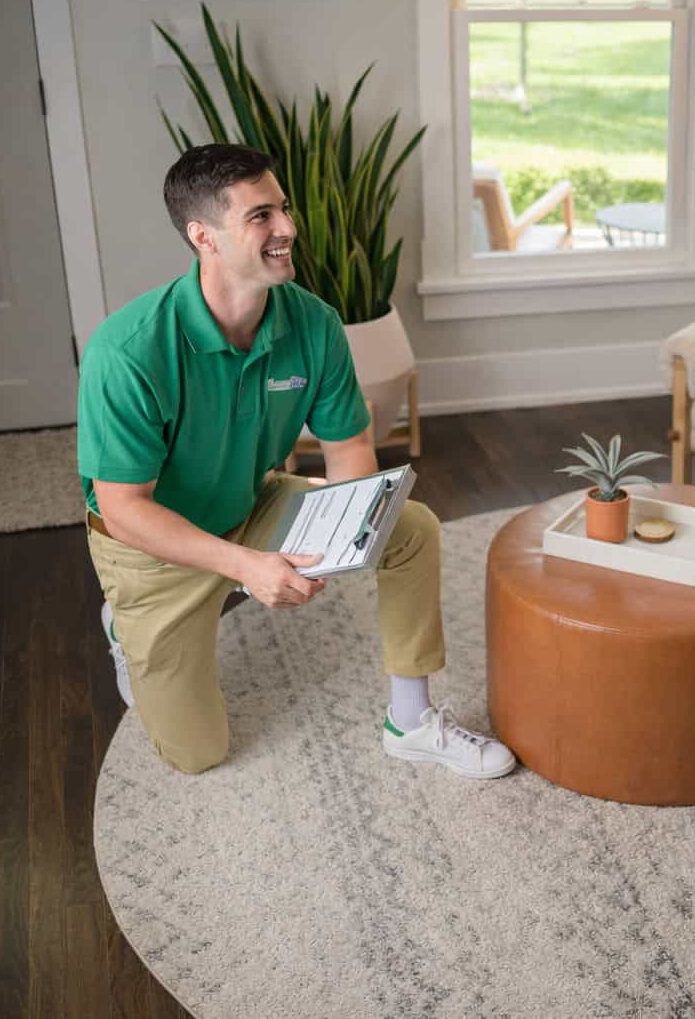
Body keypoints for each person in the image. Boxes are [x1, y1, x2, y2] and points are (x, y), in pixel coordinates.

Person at [78, 143, 514, 779]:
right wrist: (246, 567)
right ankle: (124, 625)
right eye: (261, 216)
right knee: (197, 755)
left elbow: (348, 451)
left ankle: (411, 721)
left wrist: (348, 535)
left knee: (410, 526)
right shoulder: (128, 351)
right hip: (153, 550)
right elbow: (123, 510)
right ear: (204, 236)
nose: (286, 228)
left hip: (250, 502)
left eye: (283, 208)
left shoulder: (314, 323)